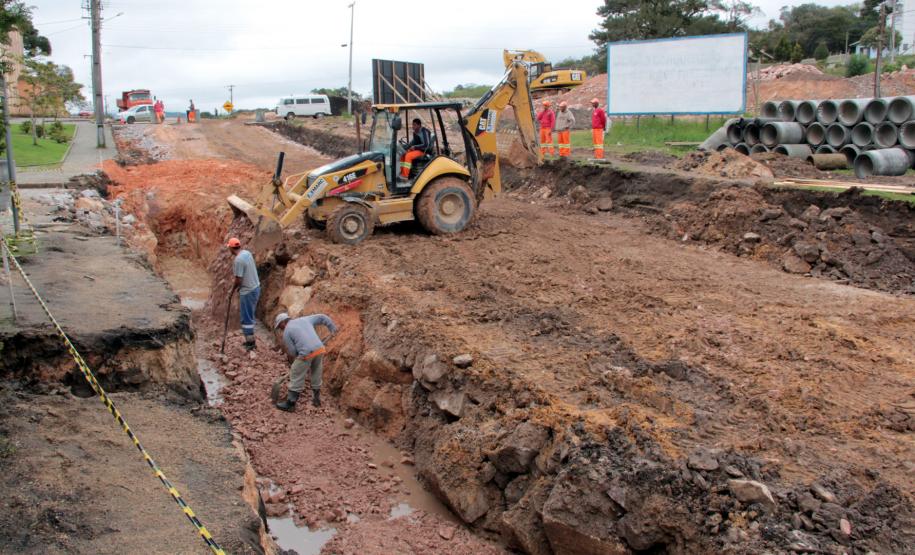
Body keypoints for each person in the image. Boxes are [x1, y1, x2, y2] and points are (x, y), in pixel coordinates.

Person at [274, 312, 338, 411]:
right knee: (316, 371)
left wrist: (301, 361)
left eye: (279, 326)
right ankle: (316, 399)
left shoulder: (287, 332)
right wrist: (332, 327)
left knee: (295, 372)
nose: (280, 329)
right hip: (320, 349)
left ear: (283, 323)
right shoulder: (304, 319)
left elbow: (292, 352)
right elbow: (322, 317)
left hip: (306, 352)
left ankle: (290, 403)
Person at [227, 237, 260, 350]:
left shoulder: (238, 260)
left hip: (248, 291)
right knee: (249, 315)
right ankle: (251, 340)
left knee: (246, 318)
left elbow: (238, 279)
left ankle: (250, 343)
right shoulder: (246, 253)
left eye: (229, 248)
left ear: (231, 248)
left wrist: (231, 292)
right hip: (255, 287)